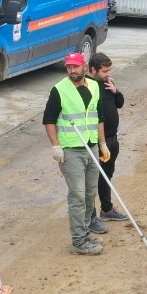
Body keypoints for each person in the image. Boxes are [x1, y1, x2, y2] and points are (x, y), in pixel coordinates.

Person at [43, 52, 110, 255]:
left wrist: (103, 144)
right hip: (70, 150)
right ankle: (79, 241)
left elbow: (98, 117)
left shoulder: (95, 87)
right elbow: (49, 120)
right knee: (78, 195)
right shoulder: (59, 90)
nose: (72, 70)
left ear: (83, 67)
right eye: (69, 67)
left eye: (76, 67)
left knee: (90, 192)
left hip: (91, 147)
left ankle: (86, 231)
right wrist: (56, 146)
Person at [87, 52, 129, 229]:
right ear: (93, 70)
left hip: (112, 139)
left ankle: (107, 209)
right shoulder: (87, 87)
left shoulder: (106, 84)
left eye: (109, 70)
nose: (108, 74)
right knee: (90, 180)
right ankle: (91, 217)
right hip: (95, 142)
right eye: (105, 71)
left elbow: (119, 103)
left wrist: (115, 91)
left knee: (106, 175)